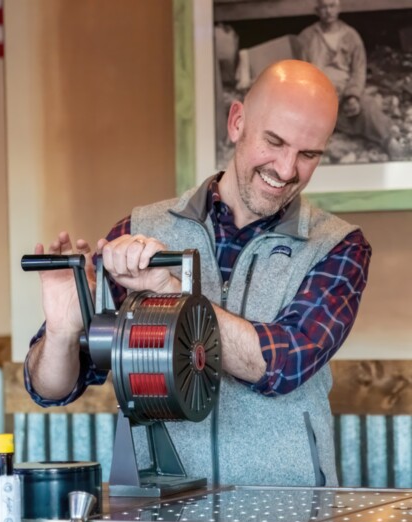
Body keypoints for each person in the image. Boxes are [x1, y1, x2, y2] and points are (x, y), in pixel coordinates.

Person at [24, 60, 371, 487]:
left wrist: (170, 293)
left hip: (291, 517)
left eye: (308, 154)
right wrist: (62, 330)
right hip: (163, 512)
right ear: (237, 121)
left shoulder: (338, 246)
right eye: (275, 142)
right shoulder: (139, 231)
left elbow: (284, 363)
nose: (286, 169)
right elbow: (52, 388)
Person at [298, 0, 403, 160]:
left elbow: (359, 71)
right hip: (319, 94)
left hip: (345, 90)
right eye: (324, 7)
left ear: (339, 8)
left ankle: (389, 141)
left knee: (367, 107)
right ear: (317, 10)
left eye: (332, 6)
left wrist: (352, 95)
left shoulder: (351, 36)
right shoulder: (306, 37)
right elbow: (302, 72)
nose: (328, 11)